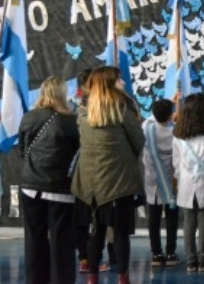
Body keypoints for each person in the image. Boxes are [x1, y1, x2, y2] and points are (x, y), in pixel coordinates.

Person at [70, 67, 144, 284]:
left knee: (95, 232)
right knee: (120, 234)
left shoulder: (83, 113)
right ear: (110, 84)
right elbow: (139, 142)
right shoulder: (123, 109)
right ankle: (123, 278)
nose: (123, 82)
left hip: (89, 184)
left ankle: (92, 277)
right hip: (119, 183)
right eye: (119, 79)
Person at [18, 76, 80, 284]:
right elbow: (77, 156)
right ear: (62, 94)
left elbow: (22, 152)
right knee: (61, 242)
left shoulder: (28, 117)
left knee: (34, 240)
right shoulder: (71, 121)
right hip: (60, 190)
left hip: (30, 187)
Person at [172, 93, 204, 273]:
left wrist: (180, 175)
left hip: (186, 180)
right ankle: (203, 259)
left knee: (189, 220)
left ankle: (191, 260)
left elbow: (176, 161)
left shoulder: (178, 133)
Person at [142, 99, 179, 268]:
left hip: (153, 179)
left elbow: (152, 118)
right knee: (172, 217)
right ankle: (171, 252)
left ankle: (156, 253)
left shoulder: (146, 128)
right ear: (171, 115)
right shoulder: (175, 132)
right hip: (171, 180)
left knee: (154, 218)